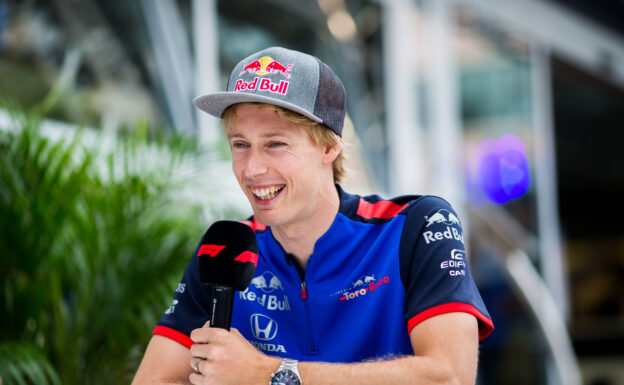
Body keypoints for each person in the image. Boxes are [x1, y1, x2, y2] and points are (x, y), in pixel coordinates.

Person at [132, 46, 493, 385]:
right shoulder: (227, 247)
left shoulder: (414, 226)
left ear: (329, 147)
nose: (252, 169)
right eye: (240, 145)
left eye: (275, 144)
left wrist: (271, 373)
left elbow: (450, 376)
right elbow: (153, 379)